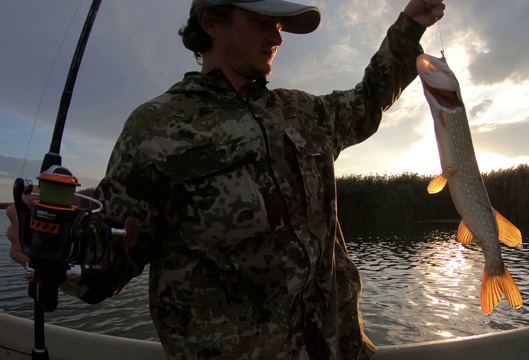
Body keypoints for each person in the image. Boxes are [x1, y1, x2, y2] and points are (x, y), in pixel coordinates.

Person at [6, 0, 445, 358]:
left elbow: (368, 99)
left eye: (279, 24)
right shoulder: (156, 127)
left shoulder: (303, 111)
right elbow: (113, 261)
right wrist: (54, 243)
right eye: (261, 22)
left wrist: (409, 26)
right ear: (211, 21)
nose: (276, 36)